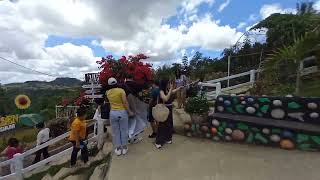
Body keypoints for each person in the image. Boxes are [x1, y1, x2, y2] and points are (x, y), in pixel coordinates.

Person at [106, 77, 134, 156]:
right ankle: (124, 148)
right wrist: (129, 112)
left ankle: (118, 149)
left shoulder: (107, 92)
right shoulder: (121, 91)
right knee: (124, 130)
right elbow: (125, 102)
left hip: (113, 113)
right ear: (116, 83)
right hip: (122, 112)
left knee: (115, 131)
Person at [155, 79, 182, 149]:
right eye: (169, 83)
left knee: (169, 124)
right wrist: (170, 89)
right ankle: (158, 141)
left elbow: (172, 92)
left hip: (169, 109)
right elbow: (165, 98)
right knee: (162, 125)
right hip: (163, 110)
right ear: (165, 84)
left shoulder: (167, 90)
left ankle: (167, 138)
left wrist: (178, 88)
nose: (170, 84)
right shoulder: (161, 91)